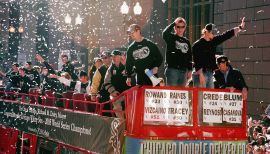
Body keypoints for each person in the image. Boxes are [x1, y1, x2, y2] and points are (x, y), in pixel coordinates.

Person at [192, 17, 245, 88]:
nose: (214, 35)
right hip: (200, 73)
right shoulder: (197, 45)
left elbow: (225, 35)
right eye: (212, 33)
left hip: (209, 72)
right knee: (200, 96)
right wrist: (201, 75)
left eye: (215, 33)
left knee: (209, 97)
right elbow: (197, 61)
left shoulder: (213, 41)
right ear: (206, 32)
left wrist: (240, 27)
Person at [162, 17, 192, 86]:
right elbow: (164, 33)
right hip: (172, 70)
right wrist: (173, 23)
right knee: (172, 94)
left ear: (185, 28)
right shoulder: (171, 37)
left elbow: (189, 56)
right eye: (178, 26)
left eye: (182, 27)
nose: (180, 29)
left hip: (184, 71)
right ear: (175, 28)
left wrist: (190, 70)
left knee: (181, 94)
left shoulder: (186, 41)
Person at [103, 50, 130, 118]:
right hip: (116, 94)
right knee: (117, 106)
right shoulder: (110, 69)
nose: (114, 58)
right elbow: (106, 82)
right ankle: (121, 122)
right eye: (112, 57)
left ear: (120, 57)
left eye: (115, 56)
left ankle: (130, 121)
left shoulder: (126, 65)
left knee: (131, 105)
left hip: (128, 93)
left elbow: (134, 75)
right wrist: (113, 91)